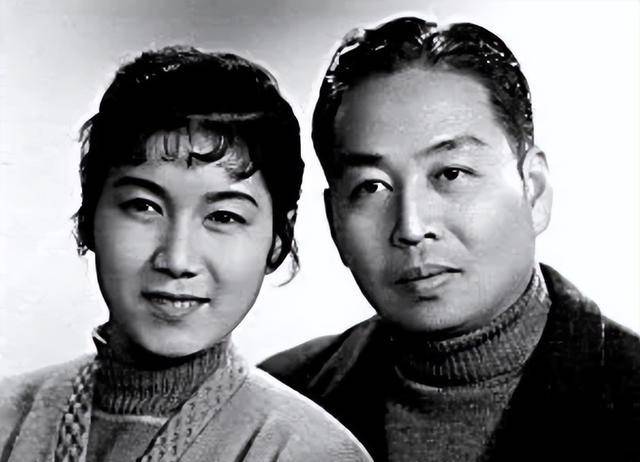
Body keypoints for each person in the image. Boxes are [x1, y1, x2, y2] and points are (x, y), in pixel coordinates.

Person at [259, 16, 640, 461]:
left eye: (451, 174)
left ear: (533, 190)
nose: (411, 226)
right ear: (333, 222)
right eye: (372, 187)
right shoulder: (278, 407)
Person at [0, 46, 371, 462]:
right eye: (143, 206)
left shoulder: (312, 451)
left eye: (224, 216)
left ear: (277, 242)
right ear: (89, 218)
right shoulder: (7, 418)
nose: (177, 260)